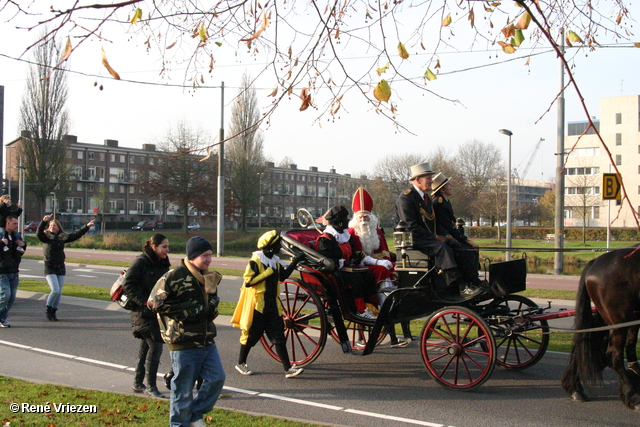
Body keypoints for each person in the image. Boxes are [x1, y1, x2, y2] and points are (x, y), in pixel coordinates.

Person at [148, 236, 225, 427]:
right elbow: (154, 303)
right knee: (182, 390)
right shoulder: (175, 276)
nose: (208, 259)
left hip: (207, 340)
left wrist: (211, 307)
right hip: (182, 342)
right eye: (204, 255)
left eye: (210, 255)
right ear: (192, 257)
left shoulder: (209, 276)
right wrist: (191, 311)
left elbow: (210, 306)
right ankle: (179, 424)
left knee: (217, 378)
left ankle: (194, 415)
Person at [394, 162, 482, 298]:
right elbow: (411, 227)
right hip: (413, 240)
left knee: (458, 246)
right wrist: (435, 237)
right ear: (418, 180)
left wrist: (447, 236)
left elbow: (433, 223)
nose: (431, 181)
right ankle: (460, 287)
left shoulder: (426, 198)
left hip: (426, 238)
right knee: (442, 248)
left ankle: (474, 281)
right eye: (428, 178)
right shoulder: (406, 198)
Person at [231, 230, 305, 378]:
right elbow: (248, 282)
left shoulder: (274, 261)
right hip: (258, 306)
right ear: (270, 248)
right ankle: (241, 363)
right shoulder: (256, 261)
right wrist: (266, 273)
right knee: (252, 335)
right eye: (278, 244)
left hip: (272, 305)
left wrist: (294, 262)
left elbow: (282, 276)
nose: (279, 247)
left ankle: (287, 369)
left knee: (279, 336)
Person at [348, 187, 412, 347]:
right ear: (356, 218)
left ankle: (400, 304)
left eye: (366, 216)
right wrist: (378, 262)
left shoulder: (377, 231)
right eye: (360, 216)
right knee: (383, 270)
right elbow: (357, 255)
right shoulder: (351, 232)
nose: (363, 219)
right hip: (361, 268)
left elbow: (384, 252)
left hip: (379, 266)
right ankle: (386, 306)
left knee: (402, 269)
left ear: (371, 217)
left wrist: (397, 259)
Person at [123, 234, 171, 398]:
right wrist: (144, 302)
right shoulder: (141, 262)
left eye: (167, 247)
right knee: (155, 346)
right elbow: (128, 285)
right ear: (154, 247)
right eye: (164, 247)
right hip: (142, 313)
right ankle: (151, 386)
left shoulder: (163, 261)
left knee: (146, 348)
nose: (167, 250)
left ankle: (138, 383)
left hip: (157, 312)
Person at [315, 205, 379, 319]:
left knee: (368, 275)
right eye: (345, 218)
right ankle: (360, 310)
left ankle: (374, 306)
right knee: (356, 279)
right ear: (339, 222)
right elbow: (325, 260)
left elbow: (352, 253)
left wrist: (356, 259)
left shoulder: (346, 236)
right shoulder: (326, 239)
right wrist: (343, 263)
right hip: (333, 272)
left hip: (347, 269)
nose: (347, 221)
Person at [36, 214, 95, 321]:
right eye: (51, 225)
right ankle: (48, 309)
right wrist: (44, 221)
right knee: (55, 290)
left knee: (59, 291)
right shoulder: (46, 237)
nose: (52, 227)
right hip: (49, 267)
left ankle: (54, 311)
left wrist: (86, 226)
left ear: (58, 228)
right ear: (48, 227)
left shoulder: (62, 237)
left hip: (60, 267)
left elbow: (76, 235)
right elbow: (38, 233)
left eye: (55, 226)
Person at [431, 173, 483, 288]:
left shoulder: (445, 202)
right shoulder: (439, 204)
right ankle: (468, 282)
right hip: (443, 237)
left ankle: (473, 279)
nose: (452, 185)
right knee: (464, 250)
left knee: (470, 249)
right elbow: (448, 227)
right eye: (449, 184)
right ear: (442, 189)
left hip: (448, 234)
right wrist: (467, 239)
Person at [0, 215, 26, 328]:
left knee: (11, 298)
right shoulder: (1, 235)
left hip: (14, 271)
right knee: (6, 295)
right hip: (2, 272)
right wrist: (2, 244)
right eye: (14, 223)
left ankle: (2, 318)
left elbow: (20, 251)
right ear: (7, 224)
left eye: (17, 223)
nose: (16, 226)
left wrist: (24, 246)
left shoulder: (16, 237)